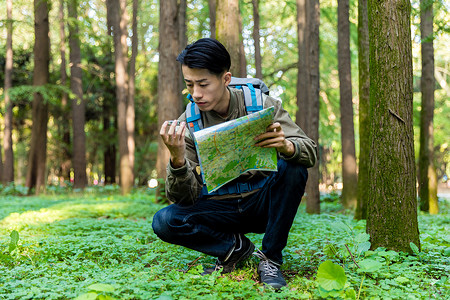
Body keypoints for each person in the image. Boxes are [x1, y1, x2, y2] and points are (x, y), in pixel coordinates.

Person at [152, 38, 317, 289]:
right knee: (164, 221)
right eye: (189, 85)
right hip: (219, 208)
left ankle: (270, 259)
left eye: (203, 84)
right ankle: (235, 249)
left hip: (262, 202)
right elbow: (183, 199)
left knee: (293, 167)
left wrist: (287, 146)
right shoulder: (189, 121)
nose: (196, 93)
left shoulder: (261, 105)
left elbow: (310, 152)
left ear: (226, 79)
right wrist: (177, 159)